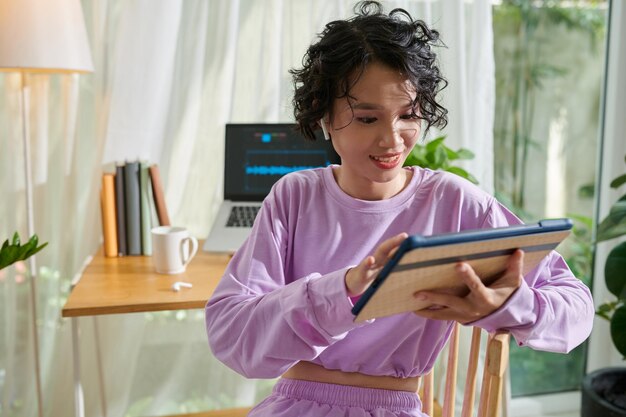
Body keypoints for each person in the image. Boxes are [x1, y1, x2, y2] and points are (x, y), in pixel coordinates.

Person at [205, 2, 594, 416]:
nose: (392, 140)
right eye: (367, 119)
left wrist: (510, 306)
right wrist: (346, 290)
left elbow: (577, 310)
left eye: (408, 115)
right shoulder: (295, 196)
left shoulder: (454, 202)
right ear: (323, 116)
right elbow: (232, 335)